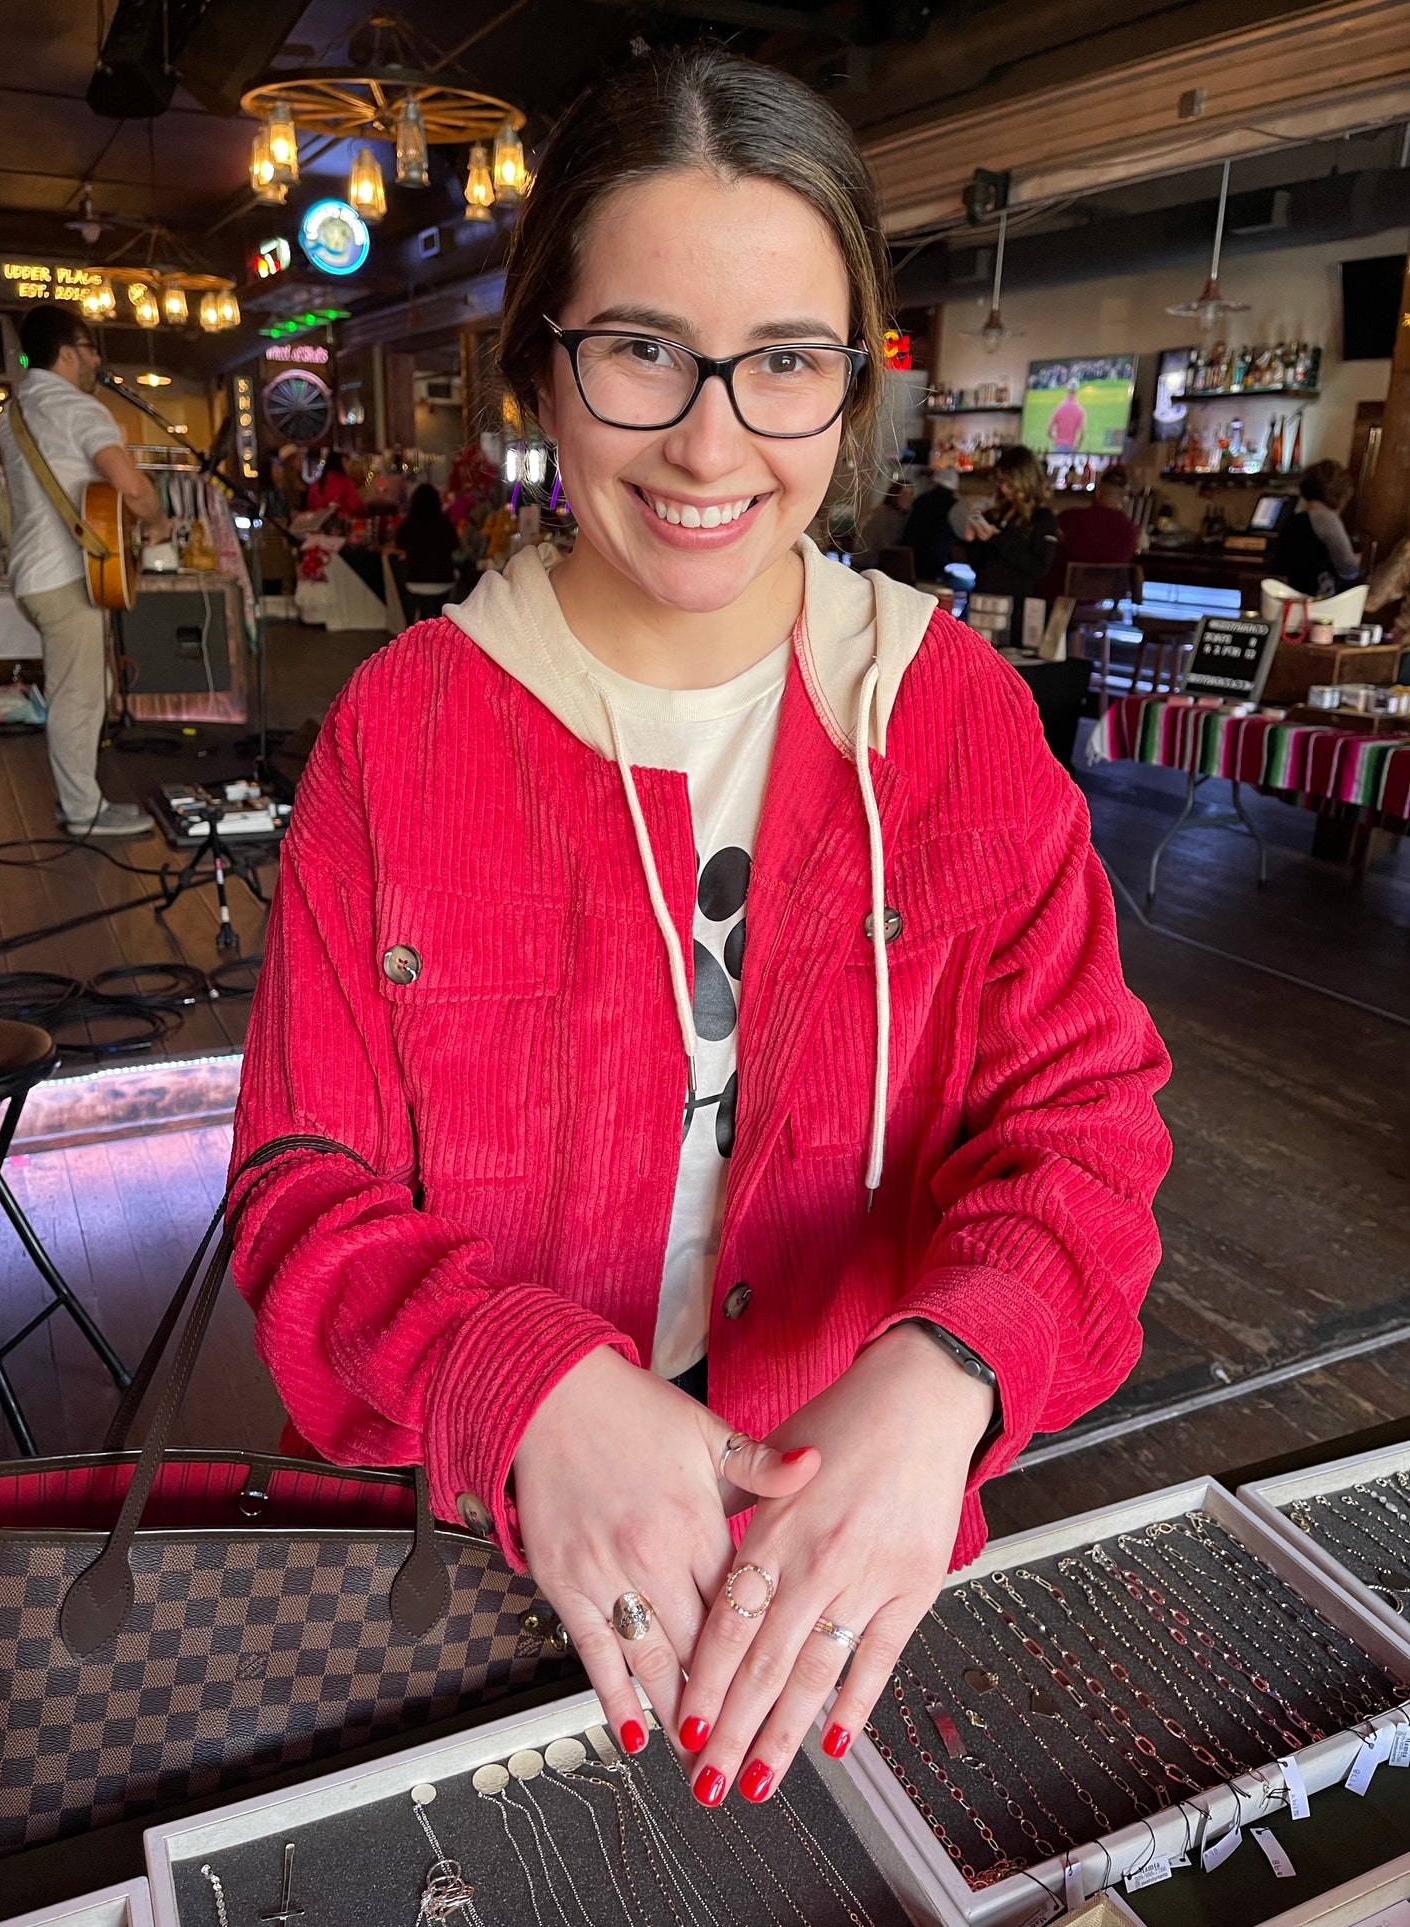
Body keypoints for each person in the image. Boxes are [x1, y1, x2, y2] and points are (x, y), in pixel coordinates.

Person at [230, 46, 1170, 1811]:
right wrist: (528, 1386)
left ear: (848, 383)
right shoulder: (406, 731)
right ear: (543, 363)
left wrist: (954, 1368)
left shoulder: (949, 719)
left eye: (785, 363)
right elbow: (298, 1180)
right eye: (645, 348)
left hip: (837, 1590)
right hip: (470, 1561)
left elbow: (1087, 1136)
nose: (713, 439)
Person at [0, 304, 171, 837]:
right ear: (70, 351)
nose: (97, 359)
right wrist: (159, 522)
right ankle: (82, 812)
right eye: (92, 348)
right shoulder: (79, 409)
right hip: (64, 576)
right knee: (79, 696)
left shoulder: (14, 412)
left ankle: (82, 798)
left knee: (81, 688)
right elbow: (132, 488)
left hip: (34, 571)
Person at [955, 444, 1059, 643]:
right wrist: (972, 540)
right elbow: (979, 565)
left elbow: (1039, 567)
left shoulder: (1042, 519)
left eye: (1009, 483)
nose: (1003, 488)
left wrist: (997, 539)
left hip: (1014, 609)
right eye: (1000, 481)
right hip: (982, 602)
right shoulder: (996, 513)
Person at [1038, 461, 1143, 603]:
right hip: (1100, 605)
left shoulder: (1070, 518)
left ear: (1098, 492)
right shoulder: (1130, 530)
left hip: (1056, 600)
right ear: (1123, 497)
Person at [1272, 459, 1360, 598]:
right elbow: (1348, 570)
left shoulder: (1294, 520)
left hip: (1290, 598)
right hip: (1317, 601)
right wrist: (1359, 560)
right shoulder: (1327, 520)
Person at [394, 482, 460, 617]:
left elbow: (399, 544)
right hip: (443, 580)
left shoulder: (408, 523)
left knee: (424, 610)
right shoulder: (445, 523)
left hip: (415, 580)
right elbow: (455, 544)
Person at [899, 465, 959, 583]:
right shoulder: (955, 506)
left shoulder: (921, 500)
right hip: (941, 565)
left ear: (935, 483)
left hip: (913, 561)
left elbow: (908, 531)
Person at [857, 476, 913, 560]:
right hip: (868, 561)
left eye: (911, 494)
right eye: (904, 494)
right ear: (894, 495)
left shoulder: (900, 516)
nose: (908, 498)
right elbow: (884, 547)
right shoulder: (885, 513)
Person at [306, 449, 363, 519]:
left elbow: (311, 506)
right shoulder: (345, 482)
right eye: (346, 461)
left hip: (318, 525)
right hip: (340, 524)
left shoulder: (316, 483)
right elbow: (355, 505)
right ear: (341, 462)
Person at [1047, 379, 1086, 453]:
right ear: (1077, 391)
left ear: (1067, 390)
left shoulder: (1059, 407)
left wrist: (1056, 439)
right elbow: (1083, 434)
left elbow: (1049, 430)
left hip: (1058, 448)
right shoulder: (1080, 410)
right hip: (1071, 448)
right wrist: (1077, 446)